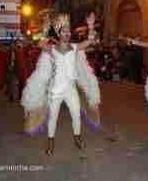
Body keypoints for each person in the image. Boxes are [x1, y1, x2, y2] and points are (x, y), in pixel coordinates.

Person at [22, 13, 101, 156]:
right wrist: (45, 29)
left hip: (70, 90)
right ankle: (50, 142)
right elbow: (39, 43)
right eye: (64, 31)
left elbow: (89, 41)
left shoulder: (75, 47)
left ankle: (77, 138)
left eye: (68, 31)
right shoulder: (52, 49)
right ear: (59, 34)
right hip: (55, 91)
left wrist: (90, 26)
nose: (67, 33)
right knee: (53, 118)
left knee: (76, 114)